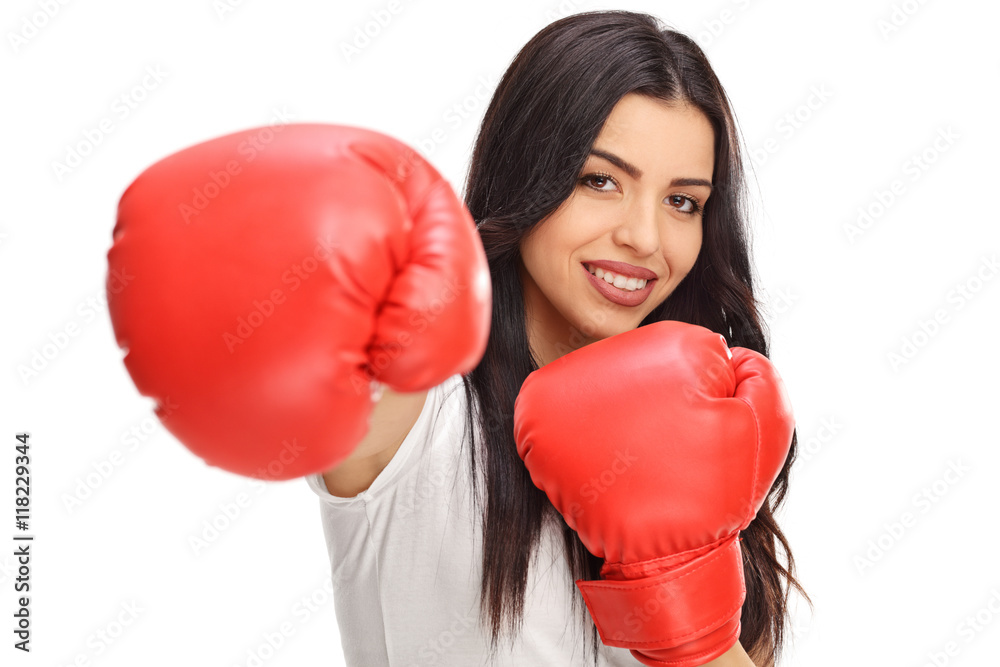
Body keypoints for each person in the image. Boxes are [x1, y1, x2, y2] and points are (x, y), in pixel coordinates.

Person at [106, 9, 809, 667]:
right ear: (528, 175)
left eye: (683, 200)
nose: (645, 237)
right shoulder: (422, 416)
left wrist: (691, 609)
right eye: (600, 180)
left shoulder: (707, 426)